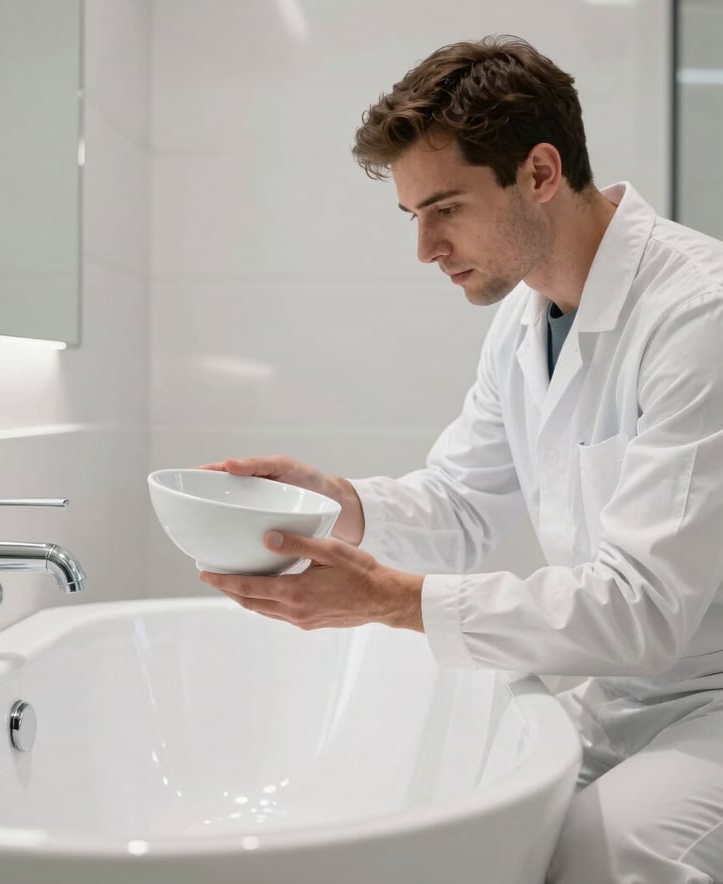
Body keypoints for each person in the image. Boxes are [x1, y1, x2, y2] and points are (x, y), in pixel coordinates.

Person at [199, 36, 723, 883]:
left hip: (712, 700)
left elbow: (646, 609)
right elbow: (460, 503)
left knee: (598, 857)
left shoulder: (700, 314)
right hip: (621, 692)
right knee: (461, 826)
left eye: (446, 208)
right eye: (414, 217)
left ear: (541, 172)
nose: (426, 248)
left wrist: (386, 600)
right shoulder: (524, 324)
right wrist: (338, 504)